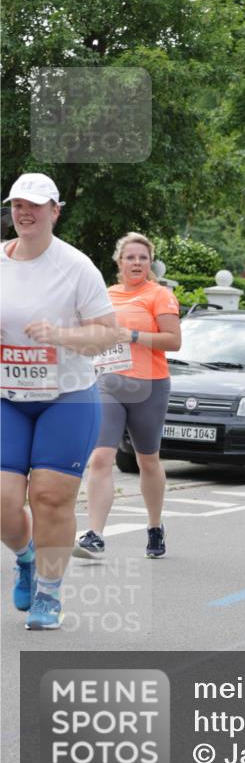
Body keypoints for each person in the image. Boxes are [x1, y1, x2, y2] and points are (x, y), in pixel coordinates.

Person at [1, 173, 117, 630]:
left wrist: (60, 335)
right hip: (8, 396)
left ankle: (49, 595)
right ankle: (26, 557)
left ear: (55, 210)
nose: (24, 213)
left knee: (50, 497)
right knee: (4, 502)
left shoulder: (76, 266)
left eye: (35, 205)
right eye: (17, 205)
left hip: (65, 398)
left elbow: (106, 333)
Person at [75, 233, 181, 559]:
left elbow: (173, 341)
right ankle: (95, 534)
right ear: (119, 262)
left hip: (149, 386)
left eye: (142, 258)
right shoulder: (106, 295)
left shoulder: (159, 295)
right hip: (109, 383)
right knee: (100, 458)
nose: (136, 263)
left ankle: (154, 524)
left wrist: (132, 334)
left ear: (150, 263)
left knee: (147, 460)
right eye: (130, 257)